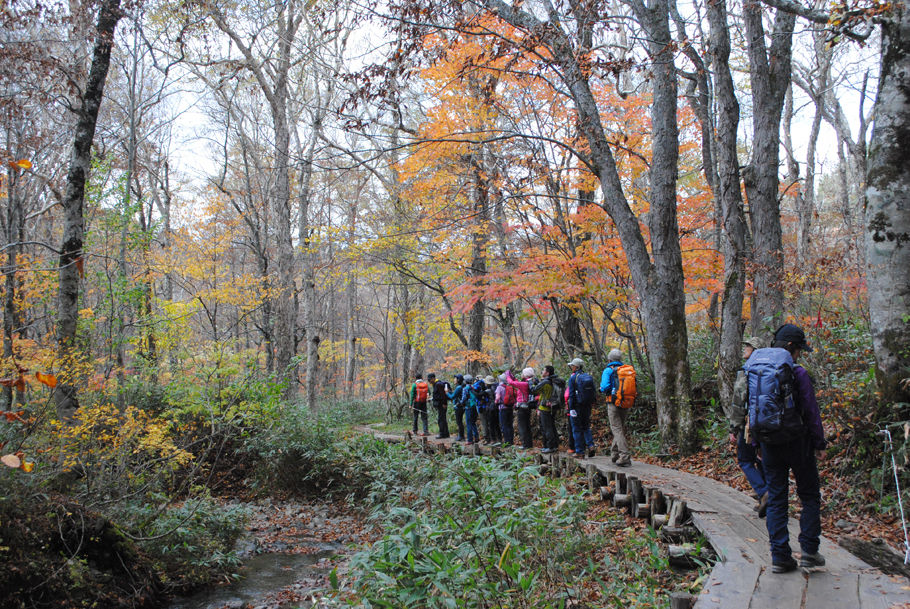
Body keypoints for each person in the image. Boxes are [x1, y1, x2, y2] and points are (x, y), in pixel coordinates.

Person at [754, 324, 827, 574]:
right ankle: (808, 551)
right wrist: (819, 442)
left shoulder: (757, 369)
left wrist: (756, 443)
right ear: (790, 348)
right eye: (798, 350)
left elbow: (750, 410)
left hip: (769, 442)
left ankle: (780, 557)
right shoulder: (798, 373)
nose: (799, 355)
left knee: (776, 499)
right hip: (798, 441)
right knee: (809, 495)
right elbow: (810, 411)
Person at [725, 336, 768, 516]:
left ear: (755, 350)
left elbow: (738, 402)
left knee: (745, 459)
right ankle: (766, 498)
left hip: (749, 425)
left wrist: (734, 428)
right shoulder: (768, 371)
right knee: (762, 460)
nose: (745, 349)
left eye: (748, 347)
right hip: (769, 422)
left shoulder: (746, 371)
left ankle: (764, 492)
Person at [600, 349, 632, 467]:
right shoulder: (626, 370)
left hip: (613, 403)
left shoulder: (608, 370)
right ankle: (614, 454)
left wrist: (603, 390)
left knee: (617, 429)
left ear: (609, 360)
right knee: (619, 429)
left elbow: (604, 387)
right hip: (626, 402)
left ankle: (624, 456)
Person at [567, 358, 596, 459]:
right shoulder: (588, 376)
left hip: (576, 406)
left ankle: (580, 451)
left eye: (572, 366)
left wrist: (571, 408)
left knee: (576, 428)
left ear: (576, 367)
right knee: (586, 426)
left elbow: (571, 395)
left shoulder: (573, 378)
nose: (571, 367)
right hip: (587, 405)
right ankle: (591, 445)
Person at [530, 365, 562, 453]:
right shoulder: (552, 381)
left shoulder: (546, 382)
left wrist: (530, 382)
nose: (542, 372)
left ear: (547, 373)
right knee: (551, 427)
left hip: (545, 407)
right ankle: (554, 445)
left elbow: (533, 390)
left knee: (547, 428)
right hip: (552, 406)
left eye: (543, 370)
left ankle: (550, 446)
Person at [506, 368, 535, 449]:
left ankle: (525, 444)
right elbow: (516, 381)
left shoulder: (523, 384)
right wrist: (512, 376)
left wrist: (507, 375)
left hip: (522, 408)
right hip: (527, 407)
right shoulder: (529, 382)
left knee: (522, 426)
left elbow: (511, 382)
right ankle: (528, 444)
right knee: (527, 426)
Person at [429, 373, 450, 439]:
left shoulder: (438, 384)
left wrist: (444, 403)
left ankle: (442, 434)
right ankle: (446, 433)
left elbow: (443, 395)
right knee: (443, 419)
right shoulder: (435, 384)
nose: (429, 381)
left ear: (433, 378)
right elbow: (437, 395)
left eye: (429, 379)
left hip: (441, 404)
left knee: (441, 419)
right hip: (440, 404)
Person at [496, 374, 515, 446]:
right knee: (510, 425)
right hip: (510, 407)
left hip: (503, 408)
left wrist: (496, 402)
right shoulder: (509, 386)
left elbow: (497, 398)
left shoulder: (499, 387)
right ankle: (511, 441)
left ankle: (507, 442)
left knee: (504, 425)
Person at [447, 374, 467, 442]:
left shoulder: (458, 387)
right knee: (459, 421)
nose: (454, 380)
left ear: (458, 380)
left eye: (455, 378)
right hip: (461, 406)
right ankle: (461, 436)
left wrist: (447, 393)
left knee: (459, 422)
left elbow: (452, 396)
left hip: (458, 407)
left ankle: (461, 436)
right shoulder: (460, 387)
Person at [483, 376, 502, 446]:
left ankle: (493, 439)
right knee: (497, 424)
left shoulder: (488, 390)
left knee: (491, 424)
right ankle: (500, 439)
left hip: (491, 408)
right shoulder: (497, 387)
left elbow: (479, 395)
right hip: (497, 407)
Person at [464, 376, 483, 445]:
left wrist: (461, 403)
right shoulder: (473, 387)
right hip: (474, 406)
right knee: (473, 423)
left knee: (469, 423)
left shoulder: (466, 388)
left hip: (468, 407)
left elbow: (464, 398)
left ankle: (470, 439)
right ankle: (476, 437)